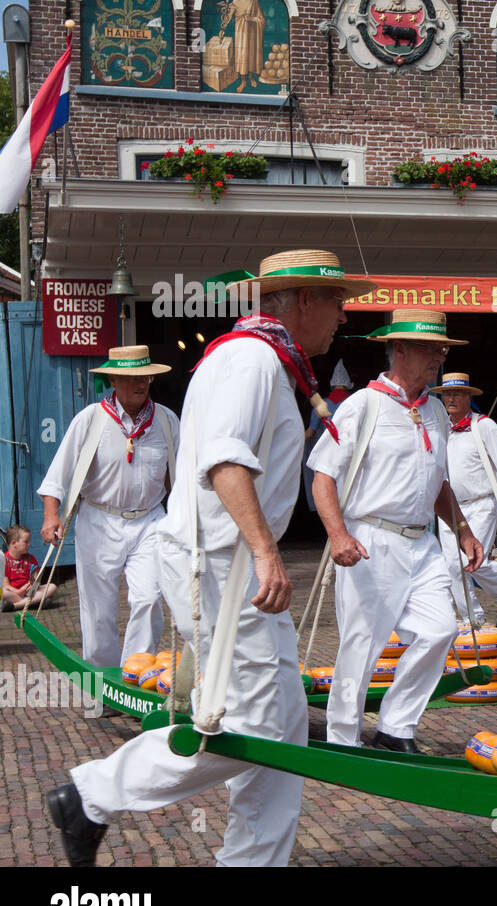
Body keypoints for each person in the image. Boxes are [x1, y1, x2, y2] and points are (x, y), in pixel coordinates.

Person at [47, 248, 375, 867]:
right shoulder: (251, 360)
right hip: (223, 564)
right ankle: (92, 793)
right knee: (252, 728)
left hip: (233, 562)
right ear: (303, 299)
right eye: (337, 301)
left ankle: (251, 862)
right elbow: (223, 461)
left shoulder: (268, 360)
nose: (343, 316)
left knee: (279, 729)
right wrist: (263, 550)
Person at [310, 312, 484, 753]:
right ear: (400, 349)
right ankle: (343, 741)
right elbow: (323, 476)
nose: (439, 358)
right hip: (371, 540)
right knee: (361, 646)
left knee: (440, 630)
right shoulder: (361, 406)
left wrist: (462, 530)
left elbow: (438, 481)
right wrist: (337, 535)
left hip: (421, 541)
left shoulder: (436, 412)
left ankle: (395, 727)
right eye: (430, 349)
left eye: (443, 350)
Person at [37, 345, 178, 670]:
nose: (140, 384)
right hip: (100, 521)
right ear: (113, 379)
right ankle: (101, 681)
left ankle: (134, 672)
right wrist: (50, 515)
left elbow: (183, 475)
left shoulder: (167, 421)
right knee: (98, 611)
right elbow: (58, 474)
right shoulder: (91, 419)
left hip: (150, 521)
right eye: (130, 378)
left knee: (148, 599)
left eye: (144, 377)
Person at [435, 372, 497, 629]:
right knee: (451, 567)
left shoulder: (484, 425)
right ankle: (472, 620)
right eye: (447, 394)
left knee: (470, 561)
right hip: (449, 506)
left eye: (457, 394)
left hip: (481, 503)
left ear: (467, 397)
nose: (451, 399)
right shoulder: (440, 427)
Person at [303, 359, 352, 513]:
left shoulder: (322, 404)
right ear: (348, 385)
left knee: (325, 489)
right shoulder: (354, 402)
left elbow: (310, 432)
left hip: (324, 456)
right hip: (348, 453)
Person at [3, 525, 56, 611]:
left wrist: (34, 584)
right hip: (13, 593)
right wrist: (18, 591)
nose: (29, 544)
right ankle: (34, 603)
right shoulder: (4, 560)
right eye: (26, 542)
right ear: (14, 543)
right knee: (3, 592)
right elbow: (5, 585)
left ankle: (15, 606)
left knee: (52, 587)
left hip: (29, 593)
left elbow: (36, 580)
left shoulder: (30, 559)